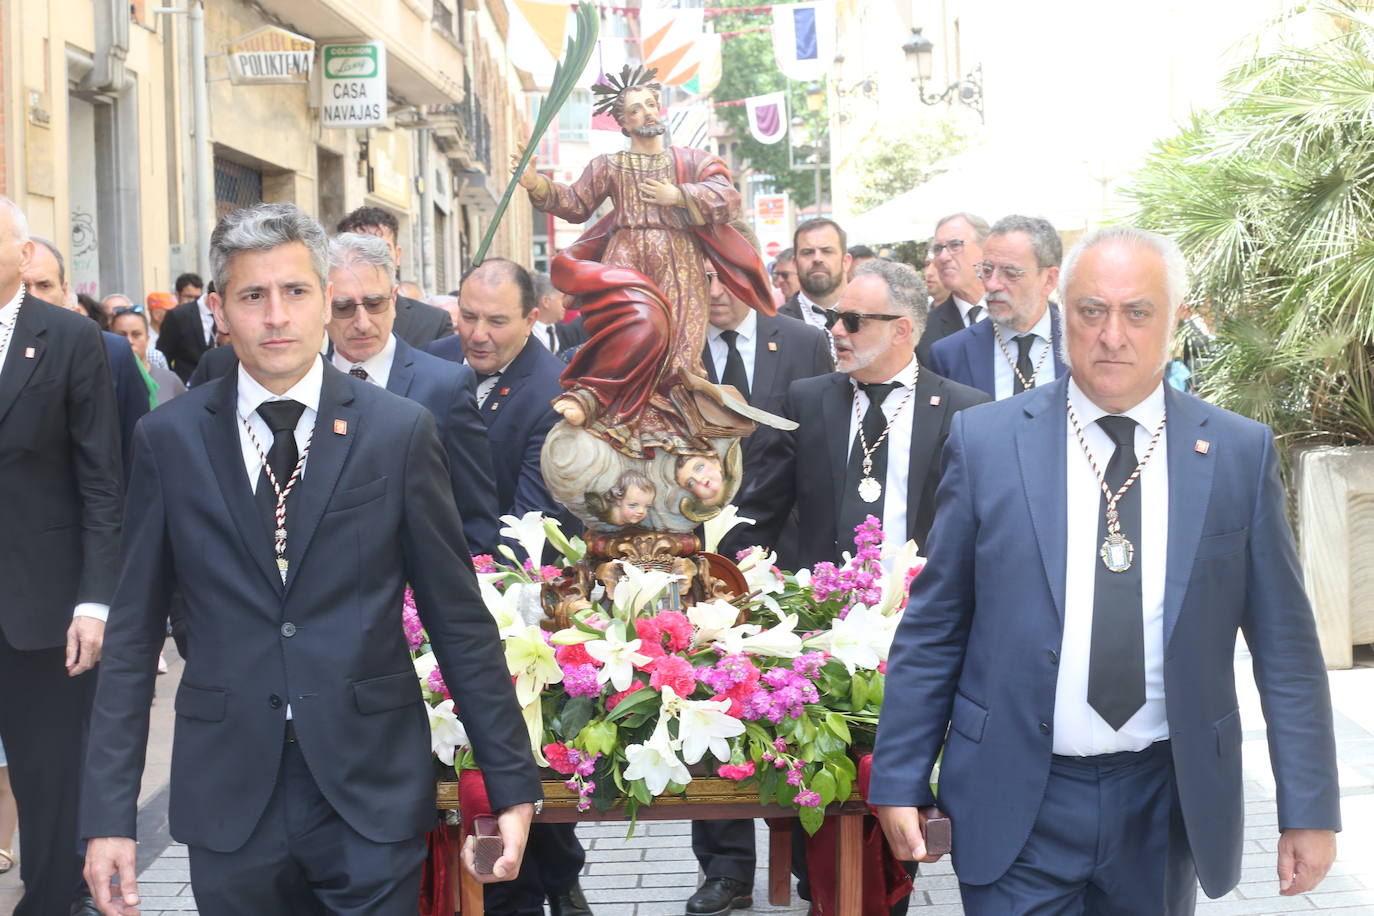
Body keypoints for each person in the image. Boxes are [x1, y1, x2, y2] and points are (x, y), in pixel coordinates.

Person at [80, 203, 540, 916]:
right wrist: (110, 817)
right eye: (252, 296)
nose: (275, 317)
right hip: (229, 792)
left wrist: (510, 782)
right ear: (220, 313)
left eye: (295, 291)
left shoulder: (397, 432)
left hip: (369, 785)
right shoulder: (166, 441)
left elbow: (457, 617)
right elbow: (135, 635)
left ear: (326, 299)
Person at [870, 226, 1341, 914]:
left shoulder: (1238, 453)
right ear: (1064, 314)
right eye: (1092, 311)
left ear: (1175, 320)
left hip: (1165, 802)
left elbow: (1287, 651)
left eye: (1137, 312)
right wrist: (899, 776)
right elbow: (936, 626)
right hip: (1015, 796)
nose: (1111, 335)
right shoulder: (988, 442)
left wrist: (1310, 808)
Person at [513, 65, 772, 459]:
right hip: (627, 257)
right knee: (636, 329)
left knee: (680, 347)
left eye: (651, 104)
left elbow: (728, 199)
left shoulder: (692, 160)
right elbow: (576, 203)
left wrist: (679, 195)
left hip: (680, 259)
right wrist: (536, 185)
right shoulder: (610, 165)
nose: (647, 113)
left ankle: (674, 430)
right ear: (622, 122)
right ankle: (604, 403)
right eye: (635, 110)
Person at [436, 257, 591, 916]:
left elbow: (532, 520)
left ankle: (550, 881)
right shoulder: (433, 368)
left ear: (534, 317)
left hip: (516, 599)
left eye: (496, 321)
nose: (477, 333)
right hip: (432, 592)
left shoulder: (555, 392)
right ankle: (539, 882)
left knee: (524, 755)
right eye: (467, 315)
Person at [0, 196, 123, 916]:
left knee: (49, 777)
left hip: (39, 606)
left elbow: (101, 483)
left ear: (22, 254)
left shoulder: (70, 341)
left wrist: (94, 601)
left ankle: (49, 902)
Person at [728, 260, 988, 570]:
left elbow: (978, 527)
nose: (836, 330)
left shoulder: (962, 409)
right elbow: (762, 510)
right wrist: (728, 576)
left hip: (920, 605)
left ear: (900, 330)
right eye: (836, 317)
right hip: (823, 607)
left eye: (852, 321)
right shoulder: (807, 401)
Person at [326, 231, 501, 555]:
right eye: (343, 307)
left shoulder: (445, 386)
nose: (362, 322)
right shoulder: (302, 386)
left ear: (394, 300)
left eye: (375, 303)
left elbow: (477, 517)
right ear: (323, 305)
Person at [23, 236, 150, 473]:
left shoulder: (114, 352)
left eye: (44, 285)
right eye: (23, 287)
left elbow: (135, 447)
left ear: (65, 290)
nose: (33, 297)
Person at [928, 215, 1069, 400]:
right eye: (987, 271)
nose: (992, 285)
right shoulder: (950, 355)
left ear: (1049, 280)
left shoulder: (1082, 344)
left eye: (1010, 273)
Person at [337, 206, 454, 346]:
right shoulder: (322, 319)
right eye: (359, 250)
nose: (371, 260)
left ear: (397, 255)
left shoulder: (433, 322)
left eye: (382, 250)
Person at [915, 212, 988, 367]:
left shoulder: (1020, 314)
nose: (943, 257)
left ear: (986, 249)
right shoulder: (923, 333)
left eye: (955, 245)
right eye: (938, 248)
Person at [779, 219, 848, 349]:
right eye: (807, 252)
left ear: (846, 261)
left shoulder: (870, 319)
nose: (817, 259)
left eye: (827, 251)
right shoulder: (773, 325)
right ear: (795, 264)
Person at [110, 306, 186, 407]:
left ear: (147, 338)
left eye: (136, 335)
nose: (129, 341)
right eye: (121, 335)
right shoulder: (103, 382)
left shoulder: (170, 381)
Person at [157, 276, 217, 383]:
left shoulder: (230, 314)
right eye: (188, 296)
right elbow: (164, 354)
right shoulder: (178, 315)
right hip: (184, 385)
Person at [530, 272, 586, 352]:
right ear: (546, 301)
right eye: (562, 298)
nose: (565, 304)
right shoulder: (525, 335)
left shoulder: (562, 333)